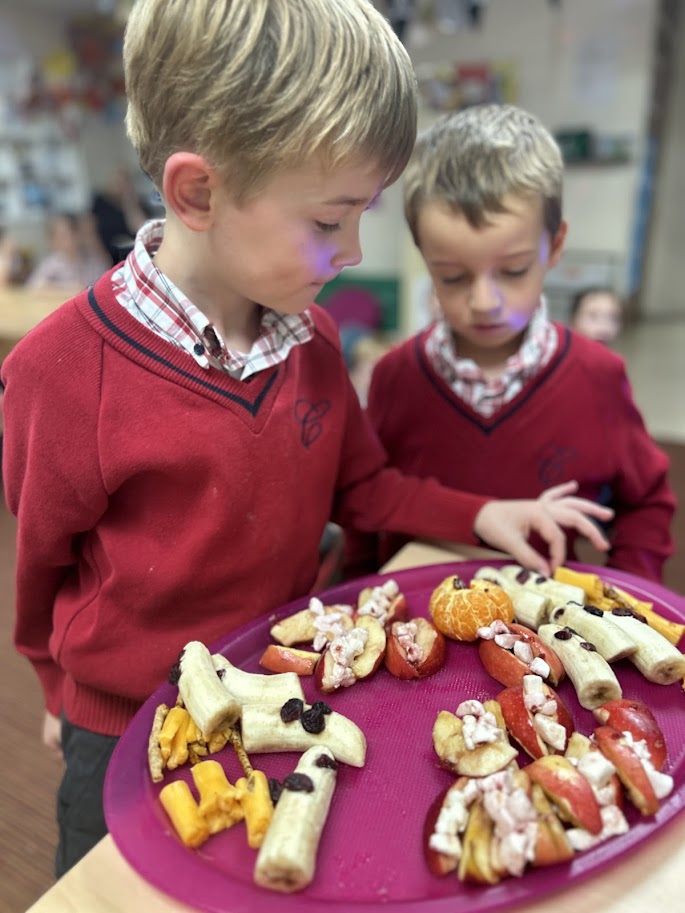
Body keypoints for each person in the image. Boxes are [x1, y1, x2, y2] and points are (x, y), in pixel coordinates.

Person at [1, 3, 612, 879]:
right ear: (198, 193)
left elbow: (364, 489)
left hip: (293, 687)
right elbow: (38, 565)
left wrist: (486, 512)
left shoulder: (313, 339)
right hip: (130, 718)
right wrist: (60, 689)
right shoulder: (60, 372)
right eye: (330, 221)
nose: (354, 249)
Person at [344, 103, 674, 584]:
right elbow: (366, 503)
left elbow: (646, 500)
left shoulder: (596, 375)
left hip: (544, 628)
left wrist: (630, 586)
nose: (484, 302)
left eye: (514, 270)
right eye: (452, 276)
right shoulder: (396, 377)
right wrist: (356, 586)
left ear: (554, 247)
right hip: (416, 623)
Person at [25, 211, 110, 291]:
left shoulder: (94, 260)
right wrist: (66, 287)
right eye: (57, 236)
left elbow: (106, 287)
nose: (63, 240)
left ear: (77, 234)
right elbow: (33, 287)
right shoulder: (53, 262)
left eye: (66, 234)